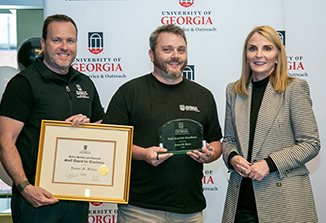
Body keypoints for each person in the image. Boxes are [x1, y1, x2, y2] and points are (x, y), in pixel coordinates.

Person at [105, 24, 222, 222]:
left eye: (181, 50)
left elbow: (216, 143)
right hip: (140, 208)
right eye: (167, 49)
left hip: (189, 209)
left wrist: (211, 155)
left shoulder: (203, 96)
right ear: (152, 55)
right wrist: (143, 154)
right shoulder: (130, 92)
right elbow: (109, 142)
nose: (175, 55)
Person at [0, 14, 104, 223]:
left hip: (77, 197)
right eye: (57, 40)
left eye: (70, 41)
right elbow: (4, 143)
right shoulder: (23, 84)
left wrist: (88, 128)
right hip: (37, 200)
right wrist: (25, 188)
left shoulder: (85, 83)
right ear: (44, 44)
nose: (64, 46)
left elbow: (101, 130)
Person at [221, 25, 320, 223]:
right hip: (241, 200)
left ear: (278, 55)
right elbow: (229, 140)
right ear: (246, 55)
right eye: (252, 48)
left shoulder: (294, 89)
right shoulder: (234, 91)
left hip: (284, 201)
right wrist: (232, 157)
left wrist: (270, 163)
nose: (259, 55)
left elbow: (310, 144)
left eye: (267, 48)